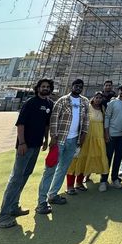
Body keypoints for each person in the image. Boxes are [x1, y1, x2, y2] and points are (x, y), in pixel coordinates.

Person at [0, 79, 54, 229]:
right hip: (25, 145)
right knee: (16, 178)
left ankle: (14, 206)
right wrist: (21, 143)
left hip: (36, 145)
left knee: (25, 175)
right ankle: (3, 216)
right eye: (43, 86)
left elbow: (47, 125)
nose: (45, 89)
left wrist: (46, 141)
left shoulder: (49, 104)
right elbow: (20, 123)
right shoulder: (30, 102)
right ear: (38, 88)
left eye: (48, 87)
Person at [36, 79, 89, 214]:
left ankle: (53, 194)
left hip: (73, 140)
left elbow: (86, 120)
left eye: (80, 86)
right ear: (72, 86)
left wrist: (83, 134)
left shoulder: (84, 101)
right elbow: (54, 118)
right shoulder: (63, 100)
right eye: (76, 85)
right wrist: (53, 137)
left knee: (63, 168)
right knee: (50, 169)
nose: (78, 88)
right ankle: (41, 202)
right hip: (60, 139)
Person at [66, 92, 109, 194]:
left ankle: (79, 183)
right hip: (85, 137)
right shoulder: (87, 107)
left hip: (98, 138)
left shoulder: (103, 109)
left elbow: (104, 124)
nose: (98, 99)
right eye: (96, 97)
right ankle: (70, 185)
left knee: (85, 161)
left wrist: (105, 136)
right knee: (76, 160)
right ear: (93, 98)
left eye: (100, 98)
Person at [100, 84, 122, 191]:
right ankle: (103, 180)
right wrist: (106, 133)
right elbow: (107, 117)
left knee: (118, 158)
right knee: (108, 158)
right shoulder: (113, 102)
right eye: (121, 90)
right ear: (118, 91)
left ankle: (115, 179)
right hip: (111, 135)